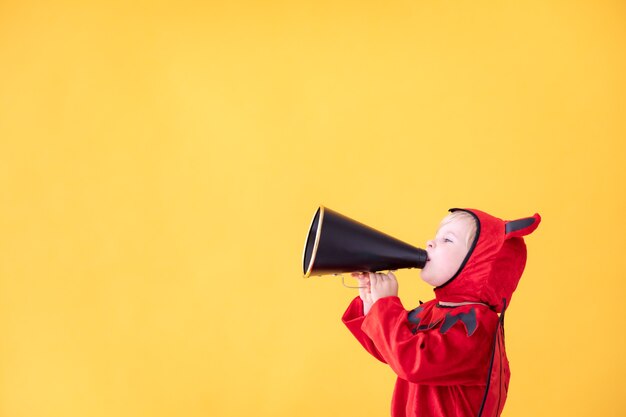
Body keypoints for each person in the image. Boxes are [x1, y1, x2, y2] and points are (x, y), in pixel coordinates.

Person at [342, 208, 541, 417]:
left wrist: (386, 306)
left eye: (447, 239)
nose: (430, 242)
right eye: (436, 235)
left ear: (478, 264)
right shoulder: (432, 309)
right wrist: (370, 301)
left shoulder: (479, 327)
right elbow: (390, 349)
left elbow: (411, 362)